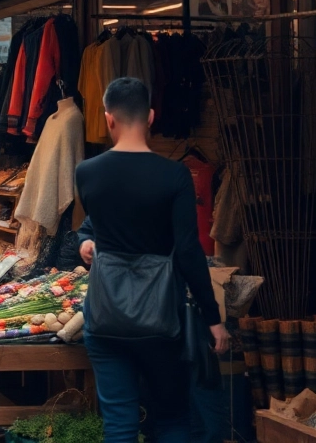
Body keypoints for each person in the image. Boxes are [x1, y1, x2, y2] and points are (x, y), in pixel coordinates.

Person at [76, 77, 230, 441]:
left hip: (105, 314)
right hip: (162, 316)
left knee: (119, 422)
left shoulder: (87, 173)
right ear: (151, 116)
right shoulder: (174, 175)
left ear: (108, 118)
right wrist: (213, 319)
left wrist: (87, 244)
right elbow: (190, 251)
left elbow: (101, 228)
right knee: (173, 418)